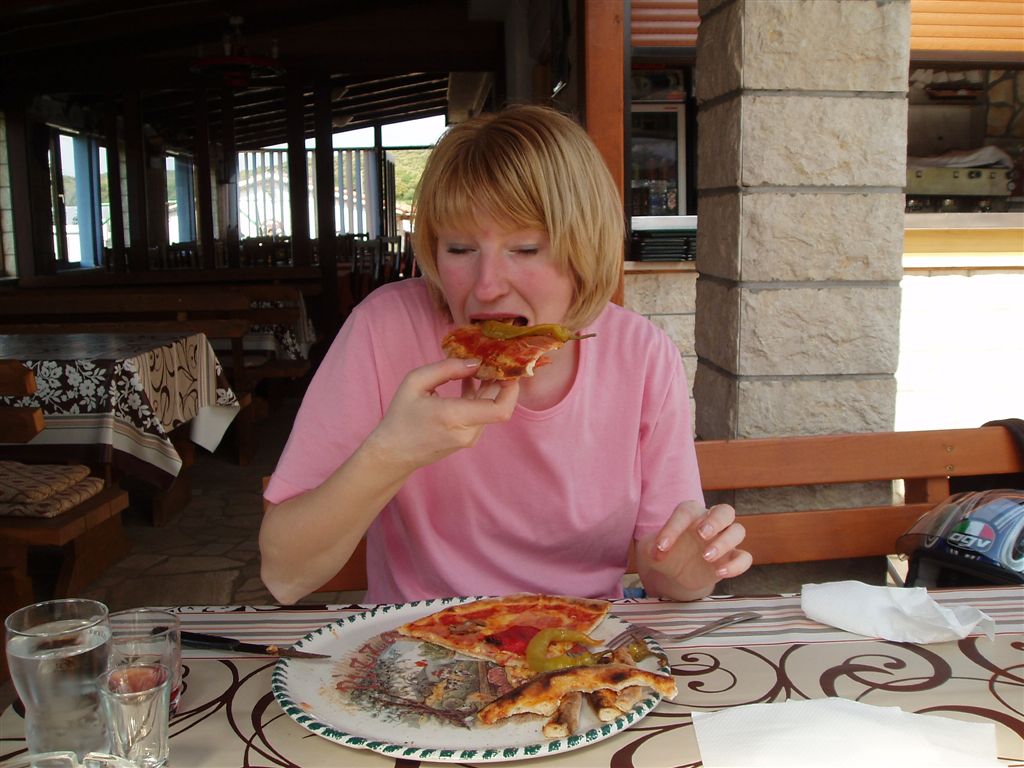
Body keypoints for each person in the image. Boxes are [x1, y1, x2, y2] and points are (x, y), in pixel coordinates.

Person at [259, 104, 751, 605]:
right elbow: (285, 574)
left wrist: (690, 569)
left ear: (585, 251)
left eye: (526, 249)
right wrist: (392, 452)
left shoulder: (641, 355)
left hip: (578, 640)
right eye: (459, 249)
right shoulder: (384, 329)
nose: (487, 287)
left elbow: (666, 568)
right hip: (414, 638)